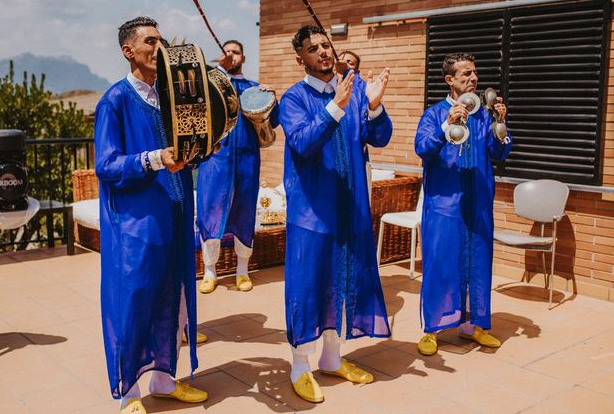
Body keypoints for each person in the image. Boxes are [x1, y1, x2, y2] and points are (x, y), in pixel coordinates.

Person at [94, 16, 209, 414]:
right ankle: (128, 393)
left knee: (173, 298)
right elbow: (107, 165)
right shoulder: (114, 100)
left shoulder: (175, 97)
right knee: (133, 302)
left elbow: (194, 147)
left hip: (176, 212)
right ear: (129, 51)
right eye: (151, 42)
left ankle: (164, 379)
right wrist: (154, 158)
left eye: (161, 40)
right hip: (136, 222)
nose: (160, 48)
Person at [279, 25, 392, 403]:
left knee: (342, 282)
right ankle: (299, 365)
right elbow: (303, 142)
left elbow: (379, 138)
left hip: (350, 205)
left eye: (326, 45)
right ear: (301, 60)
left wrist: (374, 105)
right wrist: (335, 108)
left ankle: (331, 358)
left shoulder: (356, 92)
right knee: (308, 285)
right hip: (312, 211)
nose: (323, 53)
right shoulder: (294, 98)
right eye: (313, 49)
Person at [414, 52, 511, 356]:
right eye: (466, 74)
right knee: (440, 263)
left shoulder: (483, 114)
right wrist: (447, 124)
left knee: (477, 264)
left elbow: (499, 154)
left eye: (474, 73)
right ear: (450, 80)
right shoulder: (434, 113)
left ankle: (474, 325)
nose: (473, 78)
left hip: (478, 202)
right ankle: (432, 329)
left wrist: (501, 125)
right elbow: (422, 147)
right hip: (444, 203)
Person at [196, 39, 279, 294]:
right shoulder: (212, 85)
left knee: (244, 209)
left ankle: (242, 271)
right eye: (226, 51)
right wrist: (218, 72)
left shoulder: (253, 88)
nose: (231, 55)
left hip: (246, 159)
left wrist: (272, 97)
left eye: (236, 52)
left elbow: (273, 123)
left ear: (243, 58)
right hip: (215, 159)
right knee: (210, 209)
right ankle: (210, 271)